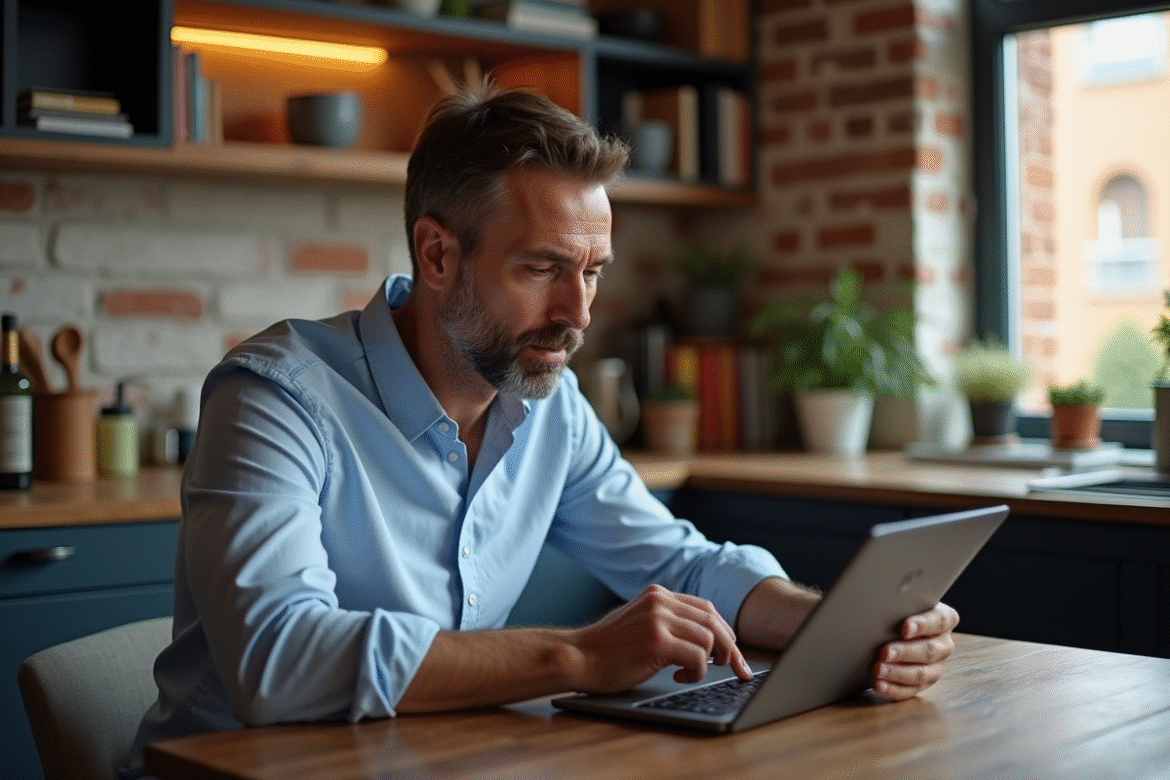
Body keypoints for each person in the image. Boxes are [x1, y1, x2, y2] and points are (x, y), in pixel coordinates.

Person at [122, 82, 958, 774]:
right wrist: (577, 656)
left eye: (592, 272)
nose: (578, 314)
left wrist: (838, 631)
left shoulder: (550, 406)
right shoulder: (276, 398)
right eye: (543, 269)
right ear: (437, 254)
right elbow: (277, 658)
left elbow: (681, 564)